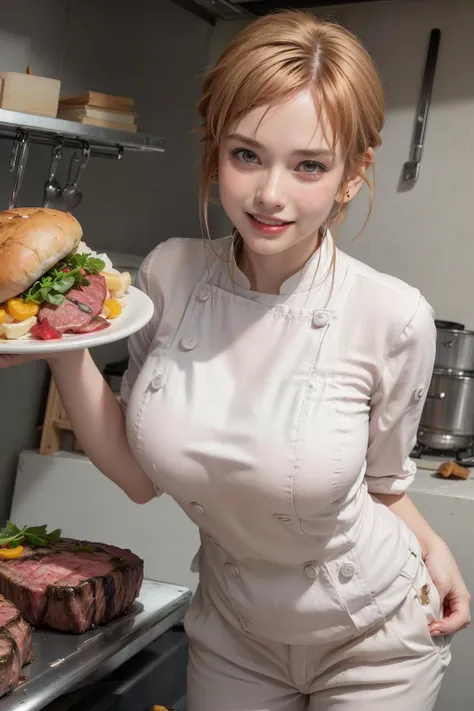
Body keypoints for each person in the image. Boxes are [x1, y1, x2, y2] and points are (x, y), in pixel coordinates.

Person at [0, 9, 470, 710]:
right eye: (246, 154)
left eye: (309, 165)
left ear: (353, 172)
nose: (269, 194)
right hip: (231, 631)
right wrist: (65, 346)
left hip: (374, 636)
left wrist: (435, 546)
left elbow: (382, 485)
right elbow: (135, 475)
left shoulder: (392, 316)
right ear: (215, 149)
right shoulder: (169, 273)